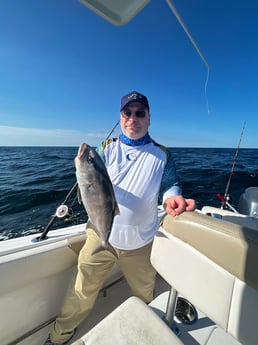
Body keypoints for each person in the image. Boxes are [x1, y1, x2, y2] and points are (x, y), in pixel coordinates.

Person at [43, 91, 195, 345]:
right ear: (120, 117)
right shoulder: (104, 148)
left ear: (149, 119)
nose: (133, 118)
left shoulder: (162, 154)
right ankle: (58, 338)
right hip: (99, 235)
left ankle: (149, 332)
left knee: (145, 292)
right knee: (81, 290)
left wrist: (173, 197)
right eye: (127, 113)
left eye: (139, 113)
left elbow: (171, 183)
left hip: (141, 242)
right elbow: (90, 178)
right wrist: (81, 165)